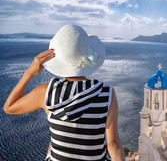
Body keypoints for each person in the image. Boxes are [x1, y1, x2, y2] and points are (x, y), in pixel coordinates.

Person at [3, 24, 125, 161]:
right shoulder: (106, 93)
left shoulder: (46, 92)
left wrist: (29, 73)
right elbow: (113, 144)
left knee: (52, 144)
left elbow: (9, 107)